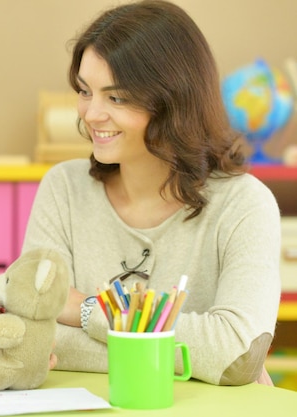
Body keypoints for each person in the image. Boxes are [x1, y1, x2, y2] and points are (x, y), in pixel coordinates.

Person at [21, 0, 281, 386]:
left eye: (117, 97)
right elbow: (31, 337)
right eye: (84, 91)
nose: (91, 114)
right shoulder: (64, 188)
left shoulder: (245, 204)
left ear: (173, 102)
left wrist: (88, 312)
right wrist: (187, 354)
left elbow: (236, 355)